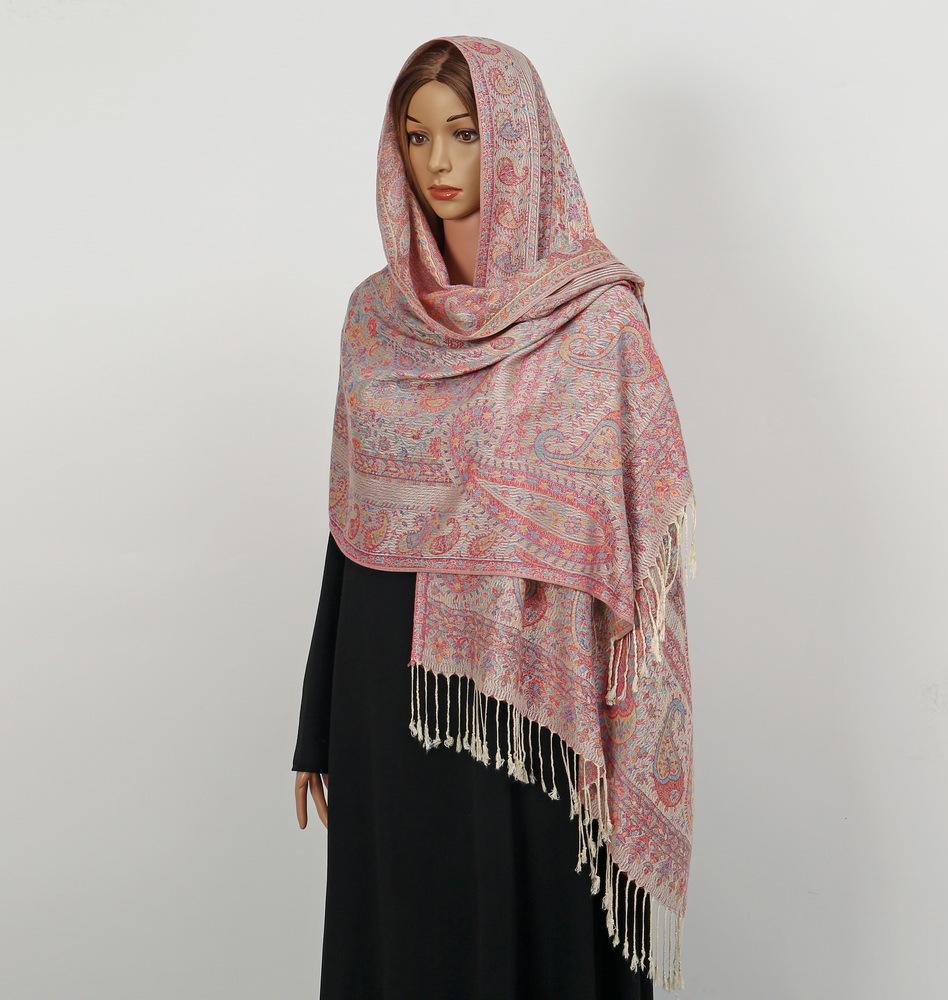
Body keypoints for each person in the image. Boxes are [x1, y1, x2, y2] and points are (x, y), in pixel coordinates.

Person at [293, 35, 695, 999]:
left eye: (465, 134)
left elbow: (638, 534)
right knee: (407, 928)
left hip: (533, 688)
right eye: (417, 135)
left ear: (516, 142)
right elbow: (351, 526)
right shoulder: (374, 318)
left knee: (527, 920)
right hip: (386, 687)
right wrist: (316, 723)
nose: (437, 161)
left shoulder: (596, 321)